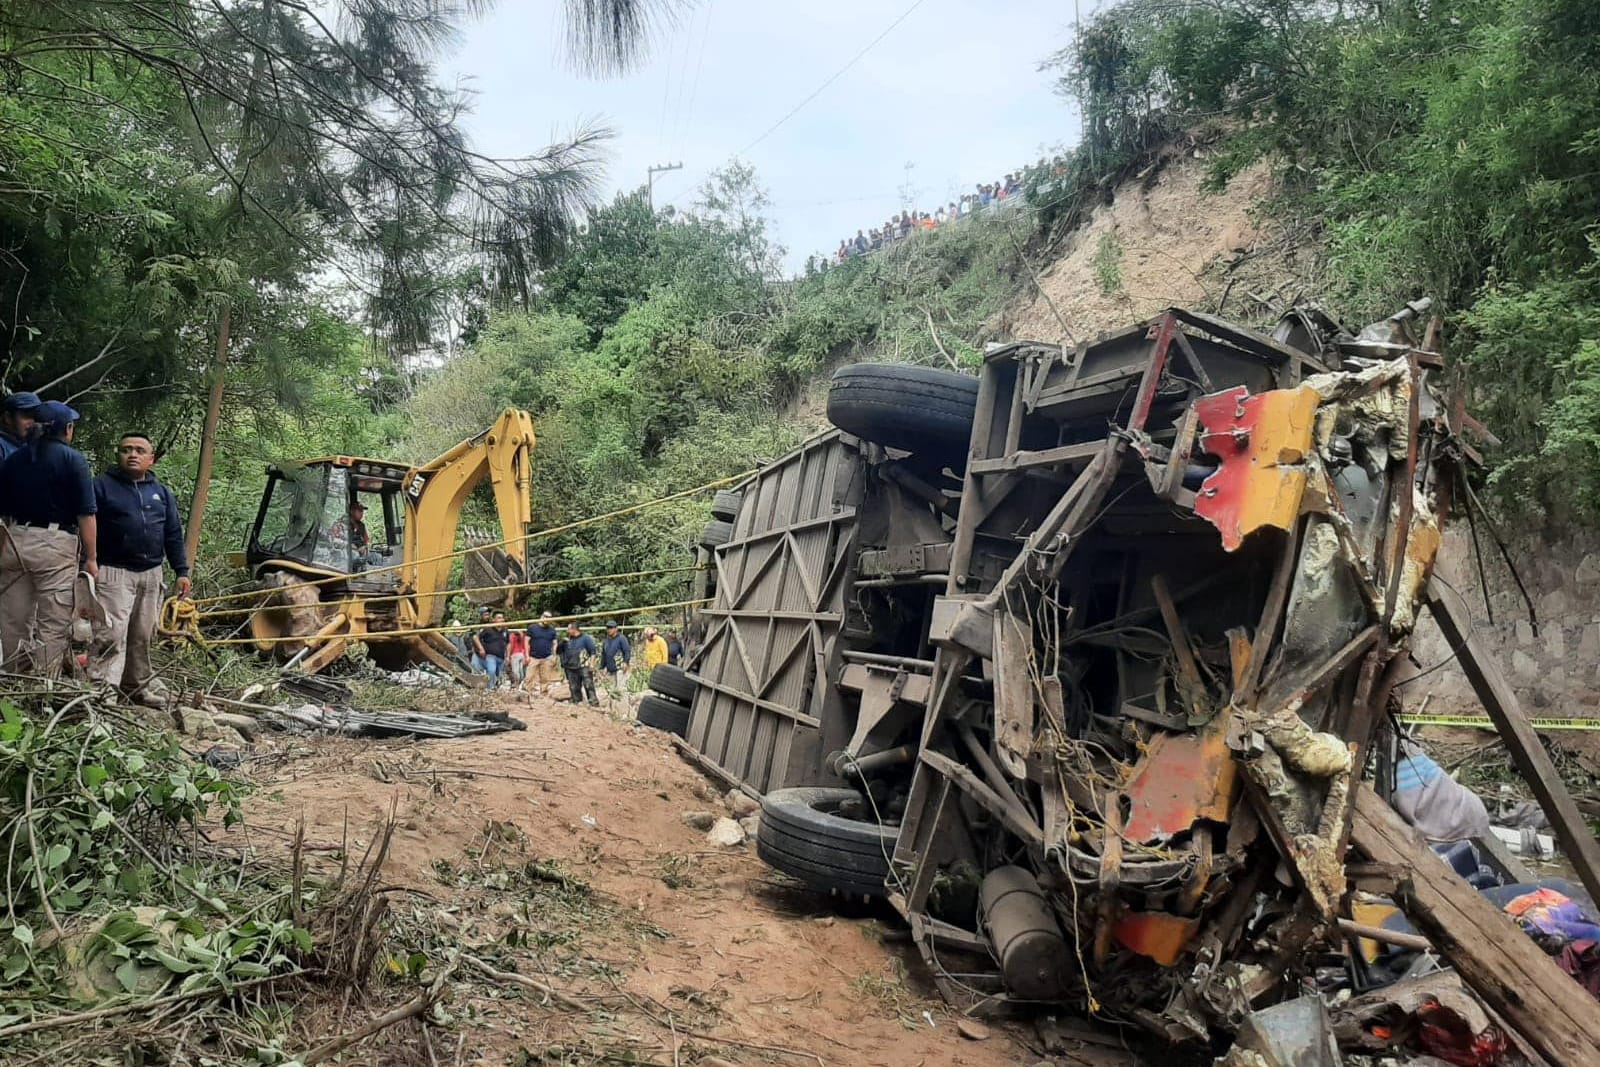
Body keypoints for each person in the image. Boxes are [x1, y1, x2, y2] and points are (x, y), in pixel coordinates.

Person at [89, 432, 190, 705]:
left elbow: (172, 533)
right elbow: (86, 526)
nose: (132, 454)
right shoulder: (101, 487)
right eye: (126, 450)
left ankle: (136, 687)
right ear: (117, 455)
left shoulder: (161, 493)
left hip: (151, 572)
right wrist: (87, 562)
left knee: (143, 634)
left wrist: (182, 570)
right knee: (111, 633)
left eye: (139, 450)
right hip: (113, 571)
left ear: (151, 458)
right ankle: (102, 691)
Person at [0, 400, 97, 676]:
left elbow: (3, 514)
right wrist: (91, 558)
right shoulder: (73, 460)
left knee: (13, 619)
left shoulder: (13, 460)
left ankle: (12, 679)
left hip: (15, 540)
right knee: (53, 620)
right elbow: (86, 514)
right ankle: (43, 684)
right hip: (54, 545)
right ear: (67, 429)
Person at [557, 621, 599, 706]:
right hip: (570, 667)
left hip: (584, 666)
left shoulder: (586, 638)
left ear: (574, 629)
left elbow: (593, 652)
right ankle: (577, 702)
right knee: (573, 687)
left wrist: (592, 664)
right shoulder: (567, 640)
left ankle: (594, 703)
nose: (567, 631)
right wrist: (561, 643)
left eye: (568, 629)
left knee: (588, 685)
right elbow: (558, 651)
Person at [525, 610, 561, 695]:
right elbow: (526, 641)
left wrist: (554, 655)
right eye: (545, 616)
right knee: (529, 677)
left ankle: (544, 694)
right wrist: (526, 655)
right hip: (533, 657)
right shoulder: (532, 628)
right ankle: (526, 693)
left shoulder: (552, 630)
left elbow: (555, 643)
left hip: (547, 657)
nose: (547, 619)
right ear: (541, 617)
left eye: (549, 618)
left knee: (545, 678)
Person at [600, 620, 632, 713]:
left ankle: (624, 711)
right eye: (608, 628)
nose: (609, 630)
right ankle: (613, 710)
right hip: (610, 668)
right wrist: (602, 667)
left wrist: (626, 662)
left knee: (621, 689)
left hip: (620, 667)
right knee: (612, 690)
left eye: (611, 627)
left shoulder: (621, 638)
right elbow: (603, 655)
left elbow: (627, 651)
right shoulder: (606, 641)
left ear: (616, 628)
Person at [473, 611, 509, 689]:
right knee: (491, 671)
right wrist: (481, 648)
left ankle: (496, 689)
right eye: (499, 618)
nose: (501, 620)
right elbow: (475, 637)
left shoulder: (505, 631)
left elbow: (508, 643)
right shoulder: (488, 628)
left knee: (499, 674)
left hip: (501, 657)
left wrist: (507, 656)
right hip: (491, 656)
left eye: (502, 618)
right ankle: (490, 689)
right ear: (493, 620)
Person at [0, 392, 41, 461]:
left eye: (35, 416)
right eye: (27, 416)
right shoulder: (2, 446)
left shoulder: (26, 442)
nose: (33, 422)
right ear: (8, 418)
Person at [468, 606, 492, 673]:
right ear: (481, 615)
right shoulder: (476, 627)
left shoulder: (492, 626)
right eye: (485, 615)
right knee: (475, 673)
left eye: (488, 614)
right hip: (478, 655)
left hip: (490, 655)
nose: (488, 616)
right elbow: (474, 637)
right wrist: (480, 648)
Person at [505, 626, 529, 690]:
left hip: (521, 654)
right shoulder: (512, 635)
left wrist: (526, 656)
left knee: (521, 673)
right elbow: (510, 645)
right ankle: (516, 685)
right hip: (514, 655)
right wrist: (508, 656)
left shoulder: (523, 636)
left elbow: (526, 645)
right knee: (516, 672)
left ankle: (518, 685)